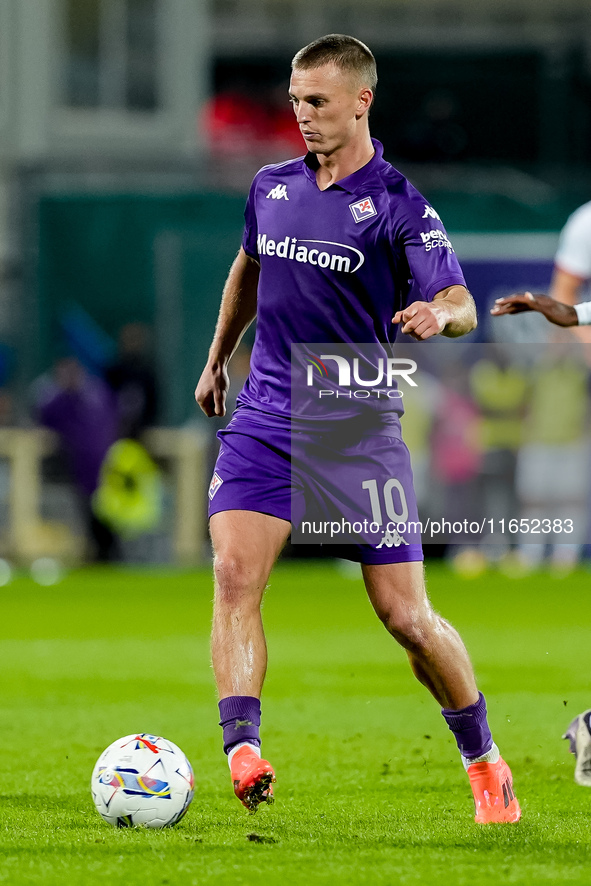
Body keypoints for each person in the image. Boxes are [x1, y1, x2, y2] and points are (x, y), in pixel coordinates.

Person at [195, 34, 520, 824]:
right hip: (267, 417)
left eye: (317, 102)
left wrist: (435, 315)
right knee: (235, 579)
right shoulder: (270, 187)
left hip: (354, 427)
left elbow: (461, 303)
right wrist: (218, 359)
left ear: (361, 101)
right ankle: (243, 751)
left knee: (404, 618)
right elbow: (250, 266)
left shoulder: (401, 205)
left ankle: (483, 760)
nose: (300, 116)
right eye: (294, 101)